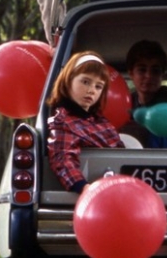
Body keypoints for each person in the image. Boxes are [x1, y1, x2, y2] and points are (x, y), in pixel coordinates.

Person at [47, 51, 125, 194]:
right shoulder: (63, 121)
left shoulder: (101, 122)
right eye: (85, 82)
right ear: (68, 80)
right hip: (91, 193)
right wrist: (83, 187)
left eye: (98, 86)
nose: (91, 91)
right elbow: (63, 159)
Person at [125, 39, 167, 110]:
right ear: (131, 74)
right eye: (142, 70)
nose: (149, 76)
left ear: (162, 75)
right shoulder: (126, 104)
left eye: (155, 71)